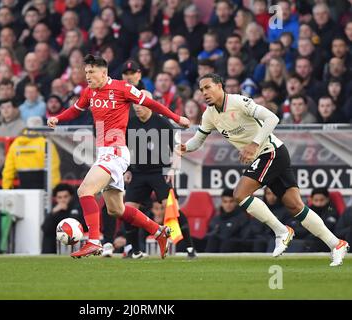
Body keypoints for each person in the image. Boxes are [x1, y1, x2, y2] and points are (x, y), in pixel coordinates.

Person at [177, 73, 349, 266]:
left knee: (240, 194)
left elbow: (272, 118)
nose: (204, 93)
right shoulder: (209, 115)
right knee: (295, 206)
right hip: (269, 155)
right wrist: (186, 147)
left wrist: (253, 144)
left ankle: (282, 231)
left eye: (208, 87)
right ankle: (337, 244)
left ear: (219, 86)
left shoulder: (239, 101)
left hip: (271, 151)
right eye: (201, 90)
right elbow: (198, 139)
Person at [47, 54, 190, 258]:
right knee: (116, 210)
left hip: (116, 152)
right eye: (86, 72)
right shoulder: (89, 93)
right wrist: (57, 118)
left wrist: (177, 118)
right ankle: (158, 232)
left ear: (103, 73)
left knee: (85, 190)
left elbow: (151, 104)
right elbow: (75, 110)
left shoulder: (122, 88)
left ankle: (94, 241)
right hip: (104, 153)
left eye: (91, 72)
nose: (87, 76)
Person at [124, 90, 196, 259]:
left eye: (141, 103)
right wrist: (126, 169)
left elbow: (178, 148)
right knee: (128, 211)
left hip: (160, 172)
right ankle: (135, 251)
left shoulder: (162, 123)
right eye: (134, 103)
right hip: (138, 173)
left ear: (150, 103)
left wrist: (173, 169)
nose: (137, 107)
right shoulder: (130, 123)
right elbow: (124, 149)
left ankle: (190, 249)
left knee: (171, 208)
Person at [41, 183, 84, 254]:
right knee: (48, 235)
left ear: (71, 197)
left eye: (65, 197)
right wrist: (53, 212)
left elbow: (79, 225)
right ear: (56, 199)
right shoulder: (56, 210)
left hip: (74, 237)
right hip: (58, 240)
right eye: (59, 197)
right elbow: (45, 228)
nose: (63, 200)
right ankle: (48, 256)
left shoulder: (76, 207)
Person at [205, 189, 249, 253]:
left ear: (236, 202)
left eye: (231, 201)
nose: (228, 205)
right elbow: (207, 235)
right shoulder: (215, 219)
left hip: (234, 248)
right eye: (225, 202)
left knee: (225, 242)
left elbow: (244, 238)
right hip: (217, 246)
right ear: (221, 203)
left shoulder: (242, 218)